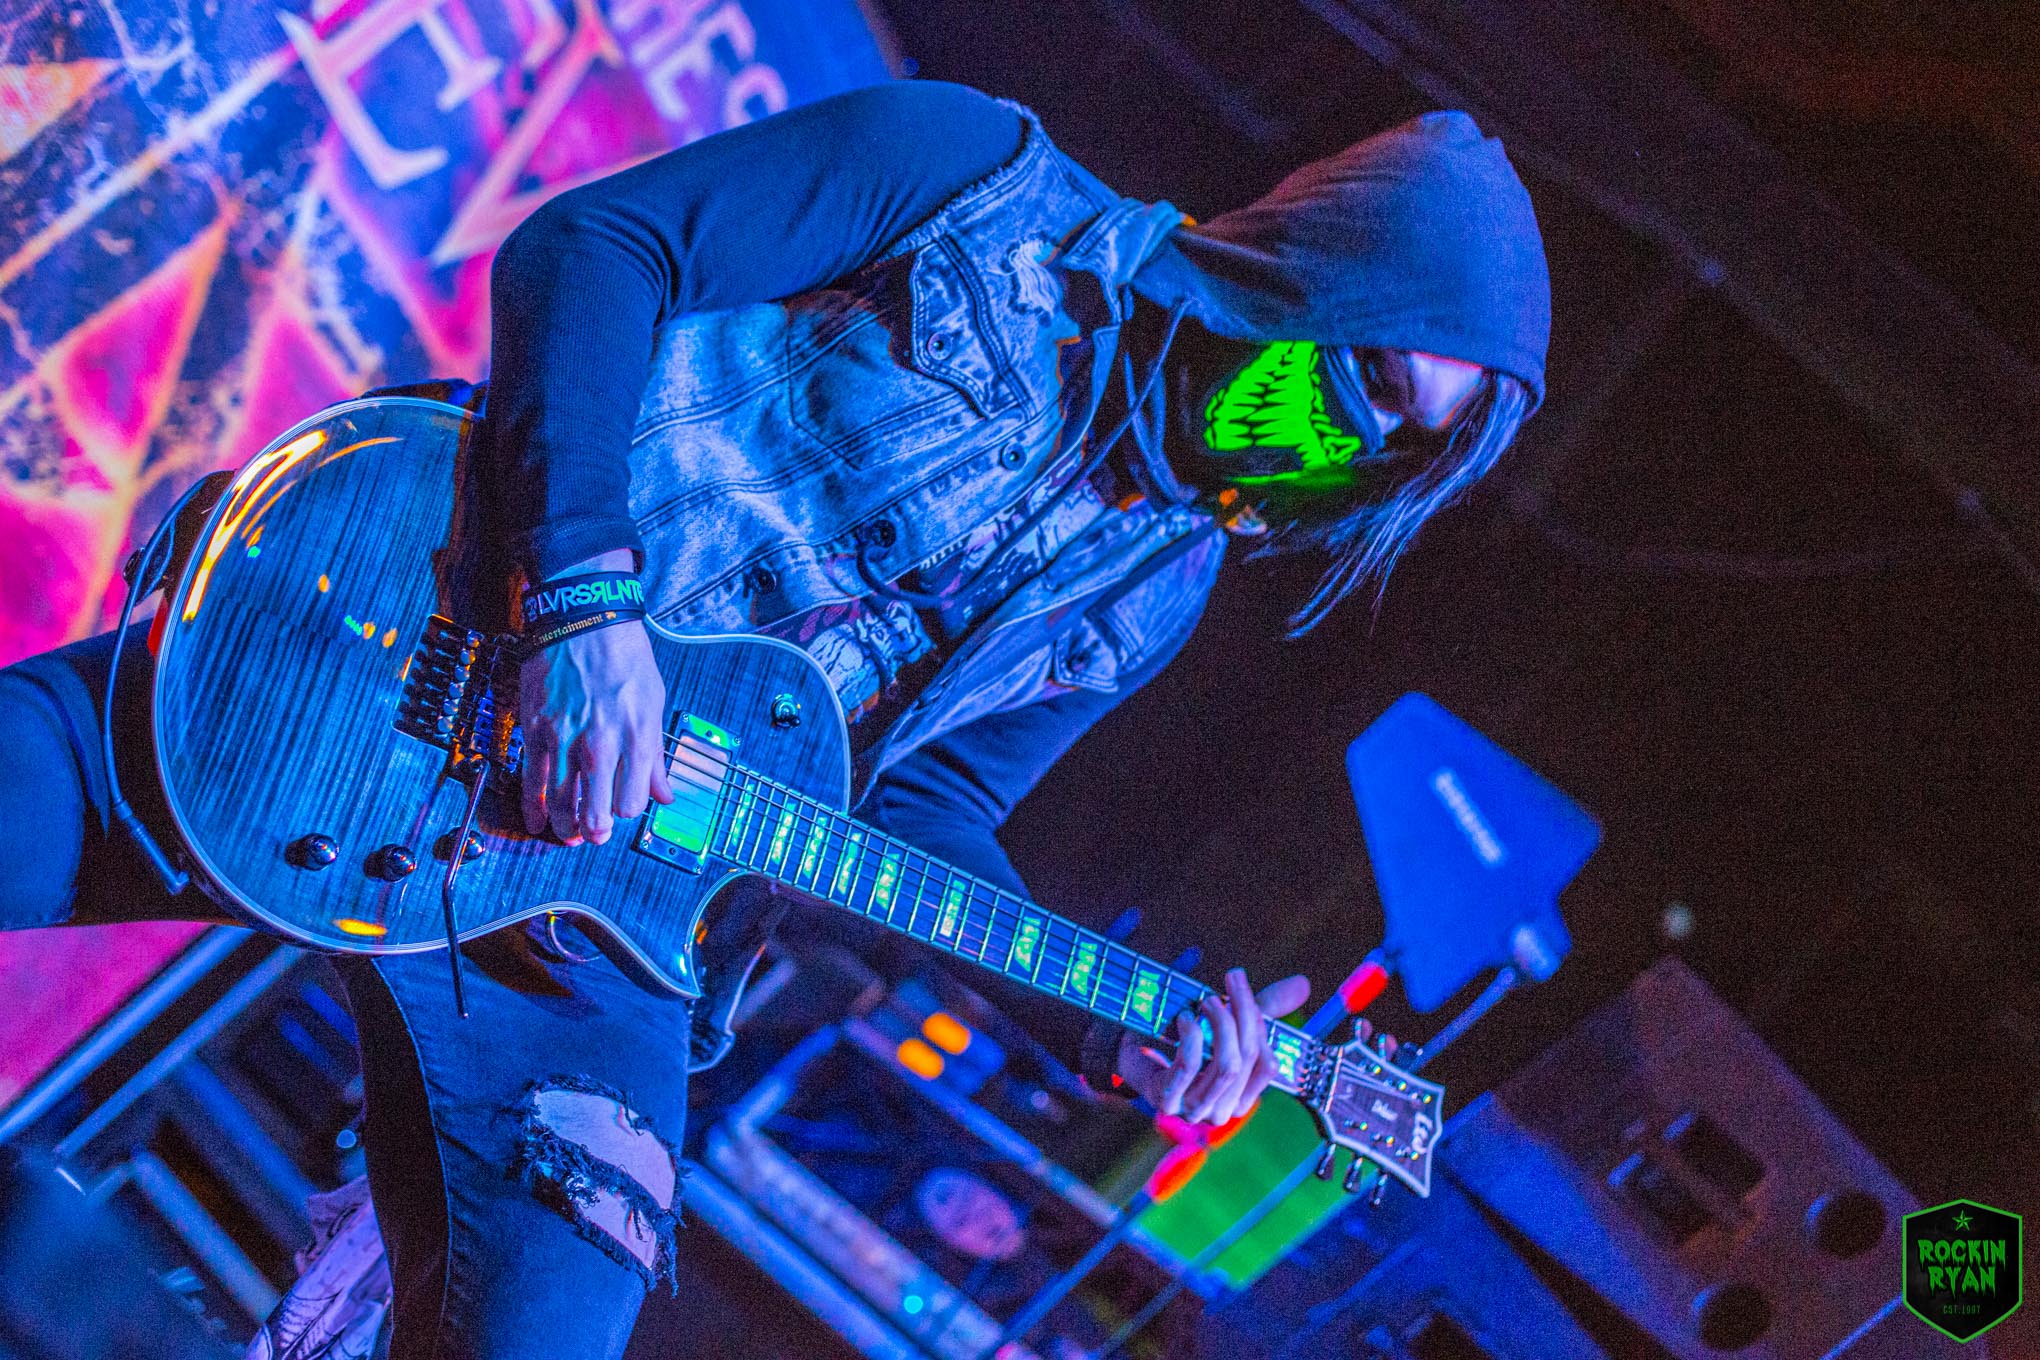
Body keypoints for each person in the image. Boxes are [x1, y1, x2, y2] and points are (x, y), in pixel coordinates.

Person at [0, 80, 1547, 1358]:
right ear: (1312, 260)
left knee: (545, 1324)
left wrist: (1112, 1028)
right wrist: (582, 608)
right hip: (407, 648)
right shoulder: (976, 178)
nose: (1341, 439)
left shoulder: (1163, 587)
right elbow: (596, 248)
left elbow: (922, 812)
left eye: (1392, 444)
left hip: (605, 926)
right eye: (1361, 378)